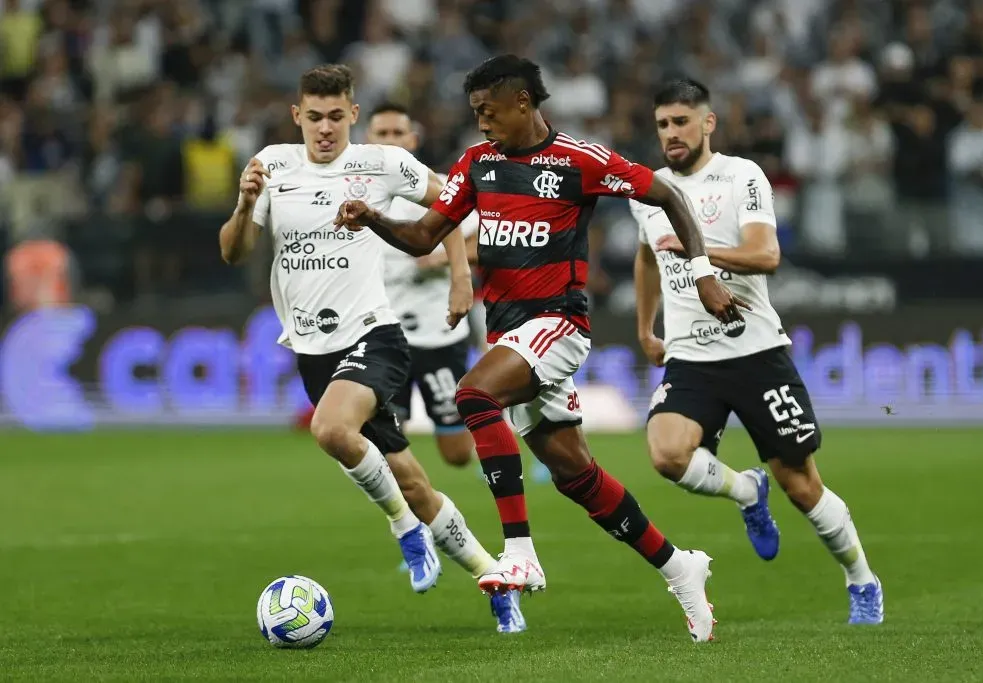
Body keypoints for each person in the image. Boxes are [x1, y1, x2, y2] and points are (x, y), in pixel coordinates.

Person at [337, 55, 748, 643]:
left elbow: (668, 197)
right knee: (575, 473)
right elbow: (425, 235)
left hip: (558, 324)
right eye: (475, 112)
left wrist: (704, 272)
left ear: (524, 103)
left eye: (489, 111)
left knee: (473, 395)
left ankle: (520, 552)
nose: (481, 124)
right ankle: (680, 566)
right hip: (511, 336)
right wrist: (372, 217)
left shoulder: (580, 161)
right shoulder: (478, 165)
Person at [218, 64, 525, 633]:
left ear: (353, 115)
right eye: (315, 117)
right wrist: (242, 206)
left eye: (337, 116)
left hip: (375, 335)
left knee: (332, 430)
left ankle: (405, 530)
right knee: (413, 480)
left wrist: (461, 275)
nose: (326, 128)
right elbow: (234, 252)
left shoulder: (381, 164)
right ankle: (495, 581)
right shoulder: (273, 165)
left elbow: (456, 202)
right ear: (297, 117)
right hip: (313, 351)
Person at [630, 79, 883, 625]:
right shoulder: (648, 191)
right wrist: (646, 328)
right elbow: (647, 258)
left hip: (755, 350)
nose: (670, 134)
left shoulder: (741, 175)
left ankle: (861, 578)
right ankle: (747, 489)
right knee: (667, 454)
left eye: (680, 121)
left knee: (801, 483)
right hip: (691, 358)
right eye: (662, 125)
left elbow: (766, 255)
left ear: (708, 122)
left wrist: (699, 253)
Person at [365, 102, 479, 468]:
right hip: (384, 334)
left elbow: (488, 237)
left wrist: (445, 256)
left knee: (457, 454)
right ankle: (412, 509)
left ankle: (496, 439)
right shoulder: (356, 193)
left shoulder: (441, 188)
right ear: (368, 140)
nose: (391, 140)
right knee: (386, 443)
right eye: (382, 133)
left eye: (398, 133)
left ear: (413, 139)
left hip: (438, 334)